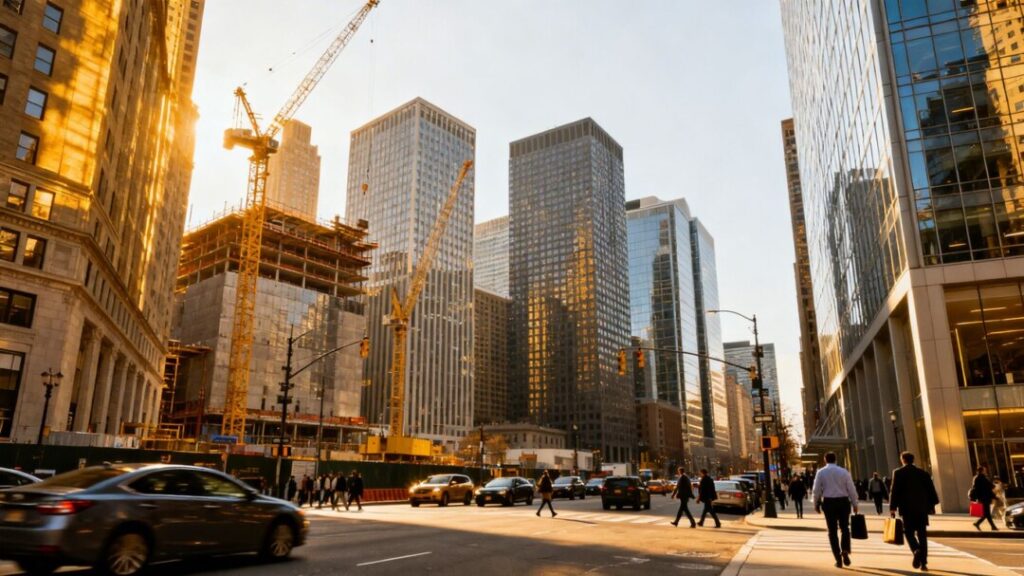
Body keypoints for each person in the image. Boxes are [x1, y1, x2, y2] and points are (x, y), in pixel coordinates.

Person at [889, 452, 940, 571]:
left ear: (903, 460)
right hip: (922, 508)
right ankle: (924, 562)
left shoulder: (898, 473)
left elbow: (894, 491)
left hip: (907, 509)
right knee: (922, 534)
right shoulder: (923, 473)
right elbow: (931, 490)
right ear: (913, 460)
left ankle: (916, 549)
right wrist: (932, 505)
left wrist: (893, 507)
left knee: (908, 533)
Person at [812, 451, 859, 569]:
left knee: (832, 531)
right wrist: (855, 503)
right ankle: (845, 550)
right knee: (845, 528)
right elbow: (851, 488)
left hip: (829, 503)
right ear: (835, 459)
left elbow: (816, 490)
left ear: (825, 460)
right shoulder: (844, 472)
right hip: (843, 502)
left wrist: (816, 504)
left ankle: (838, 559)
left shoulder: (821, 472)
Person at [970, 465, 998, 531]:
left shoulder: (975, 478)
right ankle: (991, 526)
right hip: (985, 498)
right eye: (984, 470)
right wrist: (994, 496)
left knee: (986, 513)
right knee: (987, 513)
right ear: (982, 471)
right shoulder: (983, 478)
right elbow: (990, 487)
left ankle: (980, 524)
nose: (985, 471)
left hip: (981, 498)